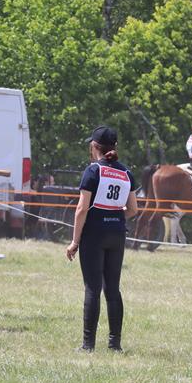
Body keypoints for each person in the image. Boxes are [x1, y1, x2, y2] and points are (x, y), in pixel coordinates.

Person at [65, 126, 139, 352]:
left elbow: (81, 209)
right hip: (117, 234)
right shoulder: (126, 172)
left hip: (94, 235)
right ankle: (115, 344)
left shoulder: (93, 171)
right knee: (113, 290)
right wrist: (114, 216)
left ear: (94, 146)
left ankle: (88, 345)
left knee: (92, 288)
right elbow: (133, 209)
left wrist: (74, 241)